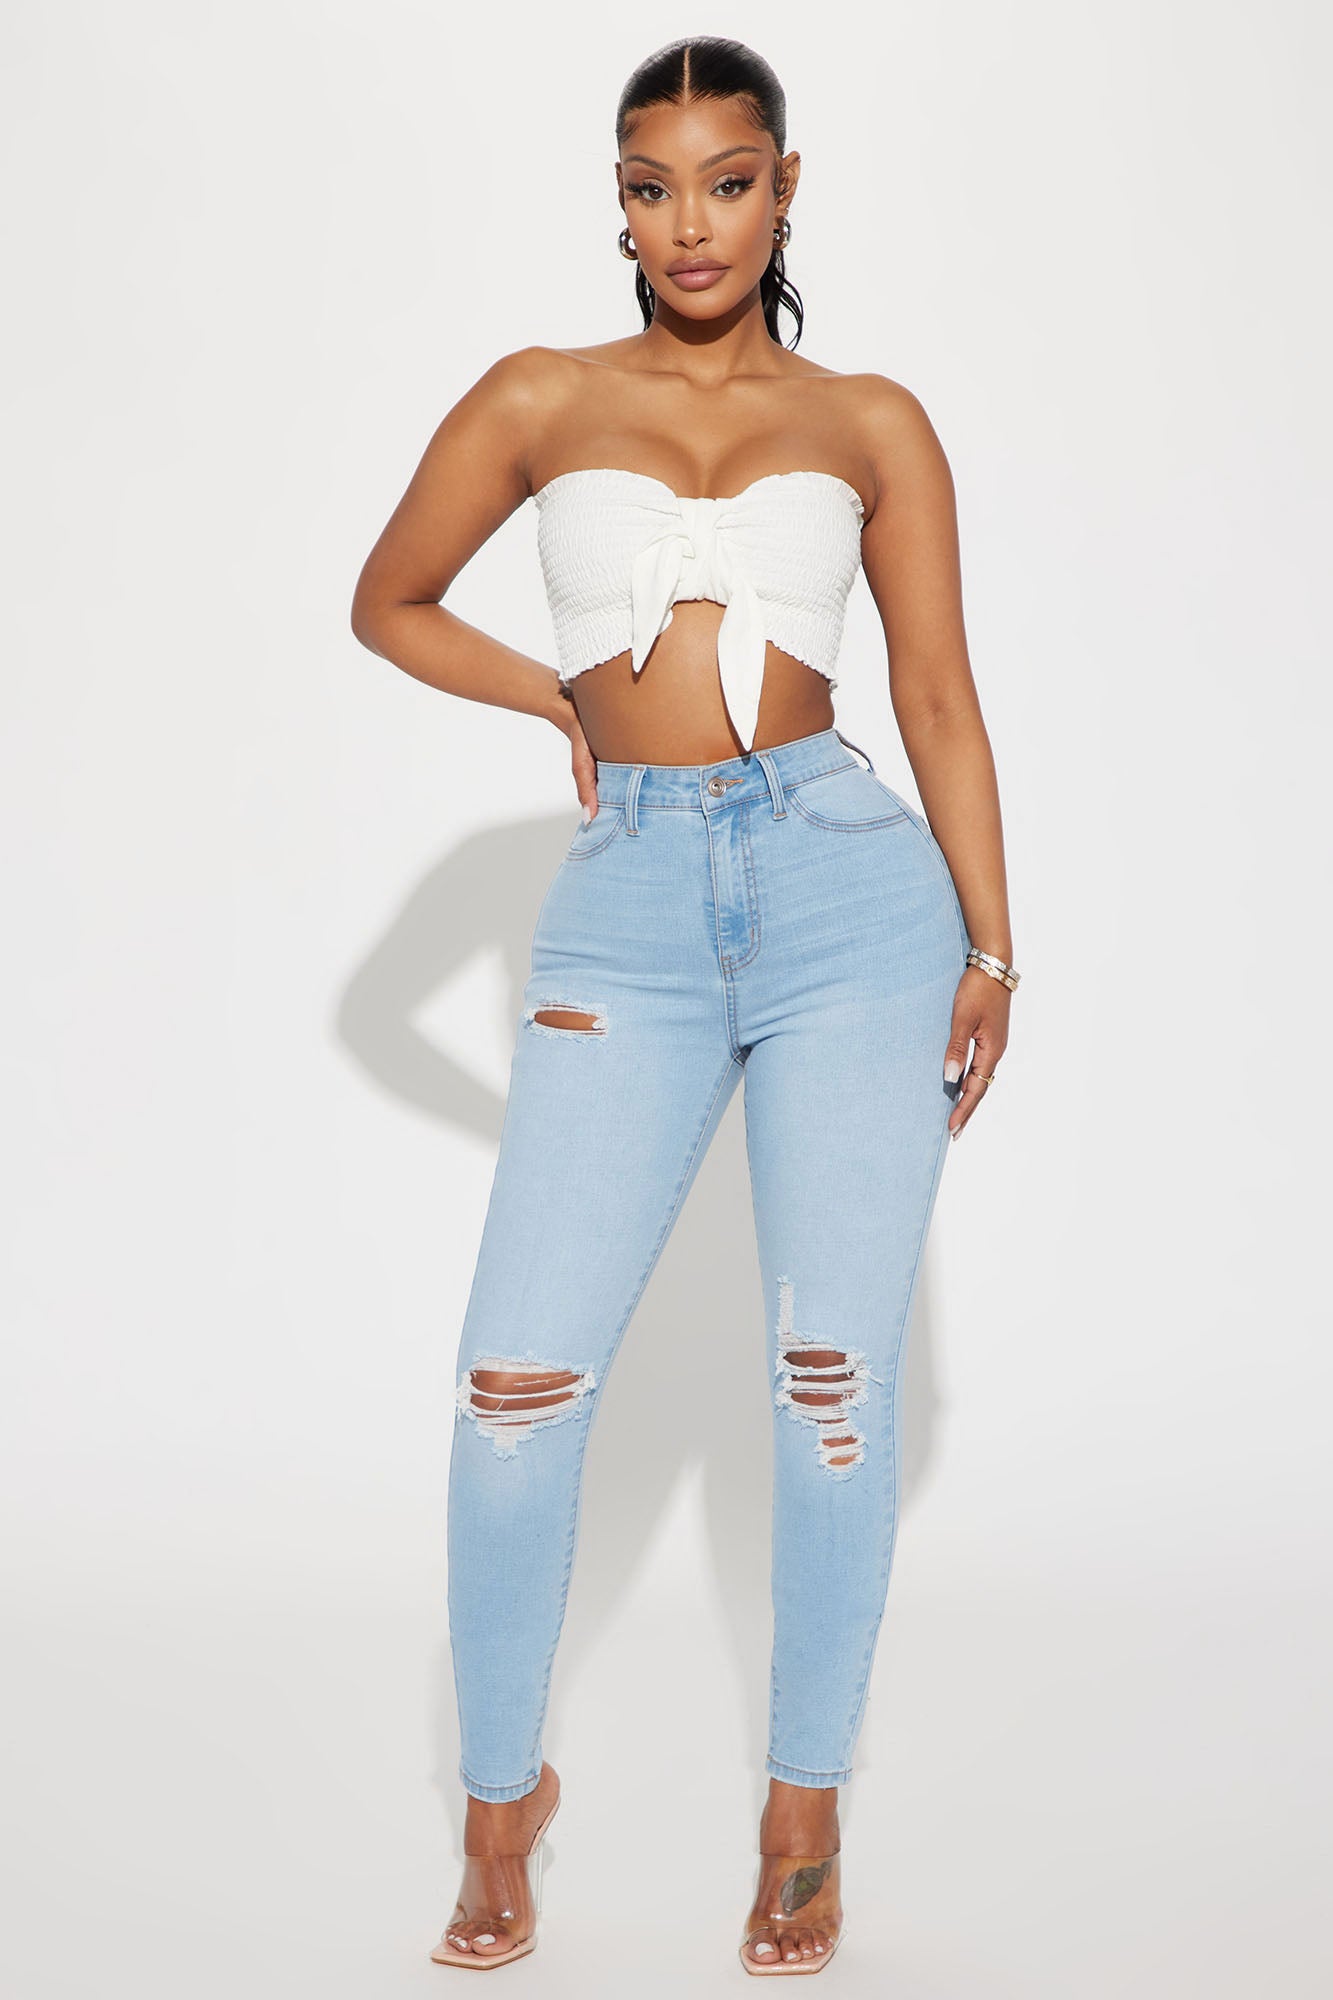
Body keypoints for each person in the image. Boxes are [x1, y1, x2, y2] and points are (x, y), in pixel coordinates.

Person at [350, 34, 1018, 1978]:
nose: (691, 223)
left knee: (830, 1390)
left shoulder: (872, 421)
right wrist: (553, 695)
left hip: (850, 901)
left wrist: (992, 949)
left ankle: (803, 1806)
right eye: (653, 188)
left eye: (728, 182)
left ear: (784, 191)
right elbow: (389, 598)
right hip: (628, 910)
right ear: (621, 206)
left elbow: (938, 699)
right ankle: (499, 1805)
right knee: (512, 1390)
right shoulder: (539, 396)